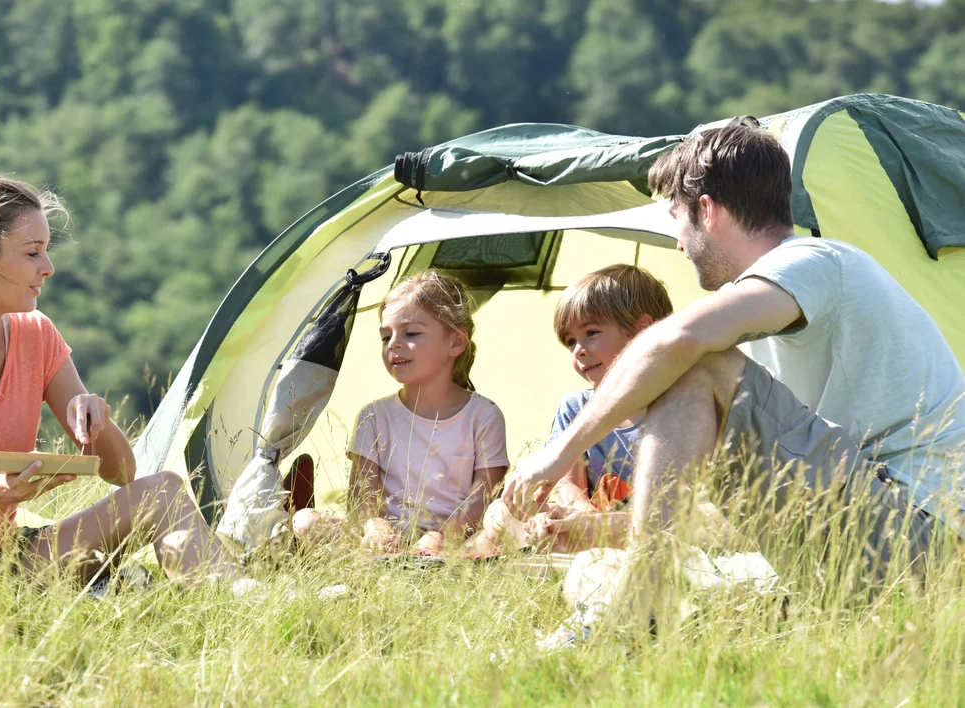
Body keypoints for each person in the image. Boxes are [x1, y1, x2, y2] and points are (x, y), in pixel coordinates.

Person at [504, 125, 965, 627]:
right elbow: (733, 516)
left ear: (708, 210)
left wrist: (558, 454)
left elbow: (676, 341)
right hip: (862, 543)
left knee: (692, 364)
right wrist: (604, 532)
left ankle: (639, 606)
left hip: (926, 539)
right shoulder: (760, 337)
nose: (678, 244)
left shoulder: (815, 261)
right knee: (595, 570)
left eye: (676, 219)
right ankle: (645, 610)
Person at [0, 174, 239, 598]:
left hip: (6, 560)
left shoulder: (36, 336)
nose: (47, 267)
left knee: (162, 492)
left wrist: (97, 421)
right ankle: (84, 595)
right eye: (32, 253)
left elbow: (123, 473)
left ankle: (236, 602)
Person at [292, 270, 509, 554]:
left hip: (454, 543)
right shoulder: (374, 415)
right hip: (386, 542)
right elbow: (362, 500)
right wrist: (375, 526)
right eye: (385, 336)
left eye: (411, 333)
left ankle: (426, 561)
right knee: (305, 521)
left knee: (500, 525)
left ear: (455, 343)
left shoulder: (484, 415)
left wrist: (439, 539)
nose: (393, 344)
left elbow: (483, 501)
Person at [471, 264, 673, 555]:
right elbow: (567, 484)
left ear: (642, 330)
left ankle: (559, 552)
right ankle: (554, 545)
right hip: (586, 522)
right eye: (570, 342)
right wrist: (581, 513)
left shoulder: (679, 405)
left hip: (642, 529)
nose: (578, 349)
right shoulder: (575, 407)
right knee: (498, 513)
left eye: (591, 332)